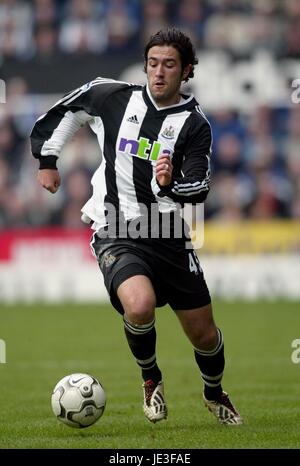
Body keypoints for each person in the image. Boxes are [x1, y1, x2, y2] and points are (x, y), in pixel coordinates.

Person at [30, 27, 242, 425]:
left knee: (204, 335)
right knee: (140, 305)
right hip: (116, 228)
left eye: (169, 65)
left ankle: (214, 393)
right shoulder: (114, 97)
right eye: (153, 63)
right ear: (145, 66)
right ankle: (151, 379)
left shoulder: (195, 125)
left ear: (187, 71)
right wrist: (48, 159)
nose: (159, 72)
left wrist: (170, 182)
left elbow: (198, 189)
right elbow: (68, 109)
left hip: (168, 236)